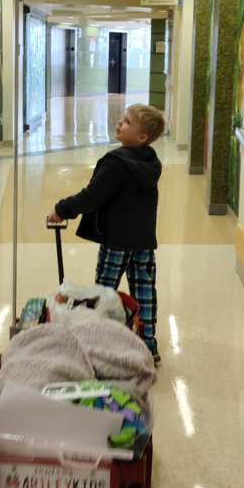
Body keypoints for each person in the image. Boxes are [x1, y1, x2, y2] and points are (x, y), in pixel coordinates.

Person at [47, 104, 164, 363]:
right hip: (144, 240)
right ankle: (148, 342)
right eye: (123, 118)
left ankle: (95, 336)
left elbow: (91, 196)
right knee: (144, 289)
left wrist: (62, 209)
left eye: (127, 122)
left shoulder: (117, 163)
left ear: (141, 137)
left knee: (104, 289)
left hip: (116, 240)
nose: (120, 123)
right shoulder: (151, 161)